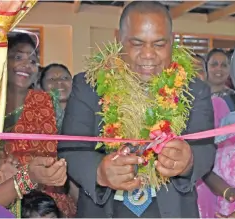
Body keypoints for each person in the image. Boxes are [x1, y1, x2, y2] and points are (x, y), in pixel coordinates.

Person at [58, 1, 215, 218]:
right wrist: (99, 172)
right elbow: (70, 149)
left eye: (159, 44)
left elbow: (206, 148)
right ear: (119, 41)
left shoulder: (194, 89)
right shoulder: (88, 86)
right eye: (137, 43)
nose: (148, 55)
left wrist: (189, 161)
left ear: (171, 42)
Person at [0, 33, 76, 217]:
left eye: (33, 61)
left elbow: (68, 152)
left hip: (48, 205)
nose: (27, 65)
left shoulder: (48, 103)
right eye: (18, 57)